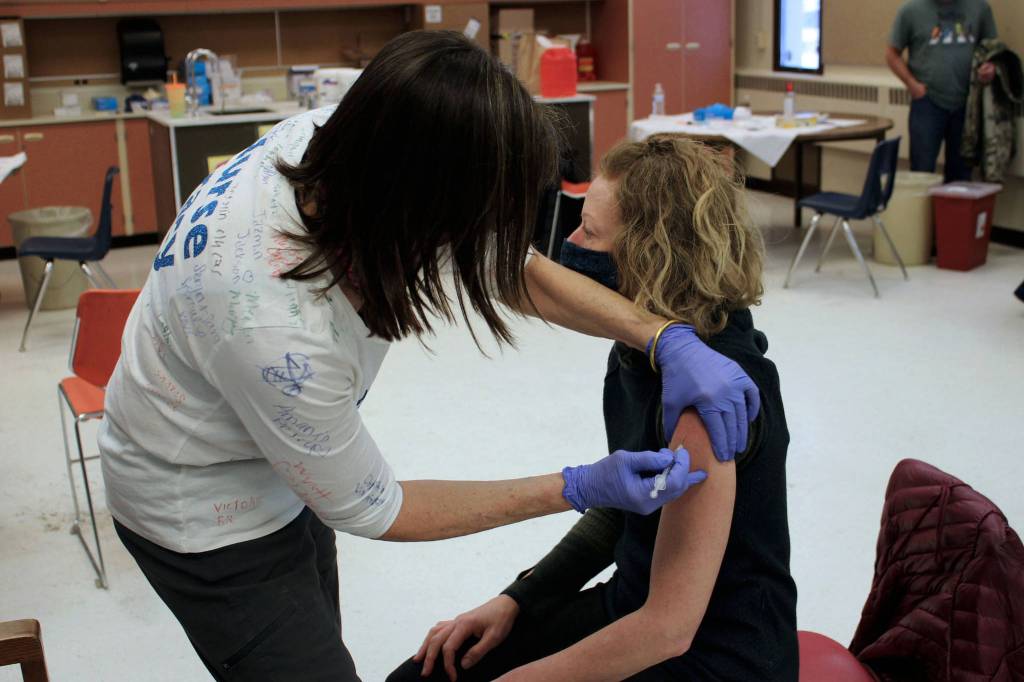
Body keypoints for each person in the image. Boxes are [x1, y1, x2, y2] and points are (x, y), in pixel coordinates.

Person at [99, 32, 760, 680]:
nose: (565, 238)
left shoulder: (349, 139)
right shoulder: (274, 327)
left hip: (696, 652)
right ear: (421, 209)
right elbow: (376, 508)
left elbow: (672, 621)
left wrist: (657, 335)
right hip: (198, 502)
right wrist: (575, 487)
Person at [390, 136, 798, 682]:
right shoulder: (640, 349)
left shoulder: (708, 400)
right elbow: (631, 505)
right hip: (635, 605)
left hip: (713, 653)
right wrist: (519, 599)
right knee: (429, 673)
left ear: (651, 252)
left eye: (591, 232)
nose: (572, 242)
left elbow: (669, 628)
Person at [886, 0, 999, 182]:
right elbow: (892, 54)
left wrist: (990, 67)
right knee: (922, 172)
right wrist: (911, 84)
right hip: (927, 101)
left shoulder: (980, 8)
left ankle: (954, 211)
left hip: (966, 103)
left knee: (961, 174)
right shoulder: (911, 10)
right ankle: (923, 211)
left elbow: (993, 50)